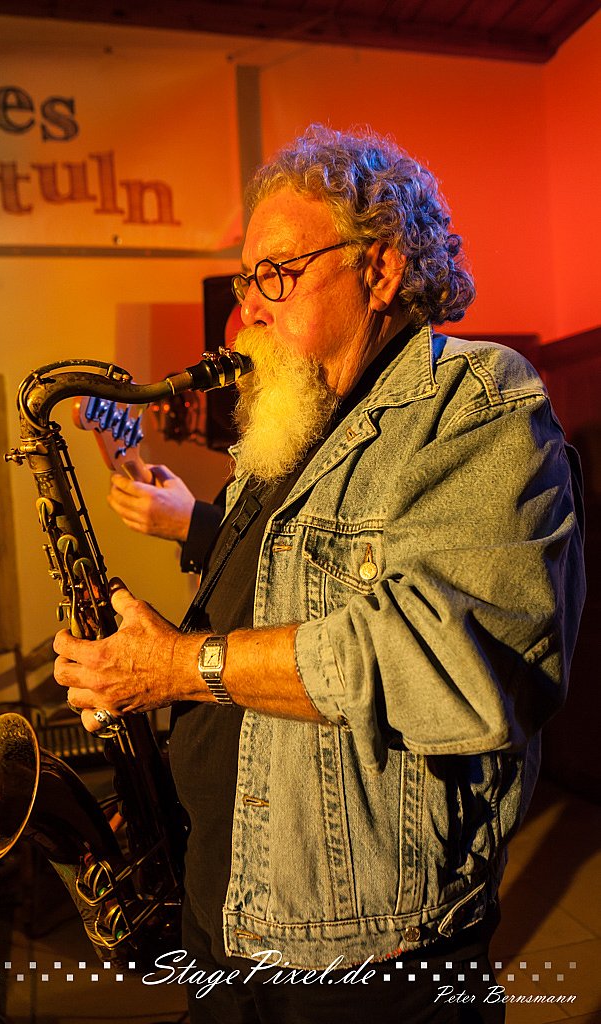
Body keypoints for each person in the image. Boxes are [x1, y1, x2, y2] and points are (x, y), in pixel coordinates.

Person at [54, 125, 585, 1023]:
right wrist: (157, 756)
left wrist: (178, 667)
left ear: (378, 270)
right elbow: (264, 616)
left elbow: (455, 669)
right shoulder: (284, 436)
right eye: (245, 280)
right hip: (225, 914)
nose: (248, 308)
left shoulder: (477, 400)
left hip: (366, 959)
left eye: (275, 273)